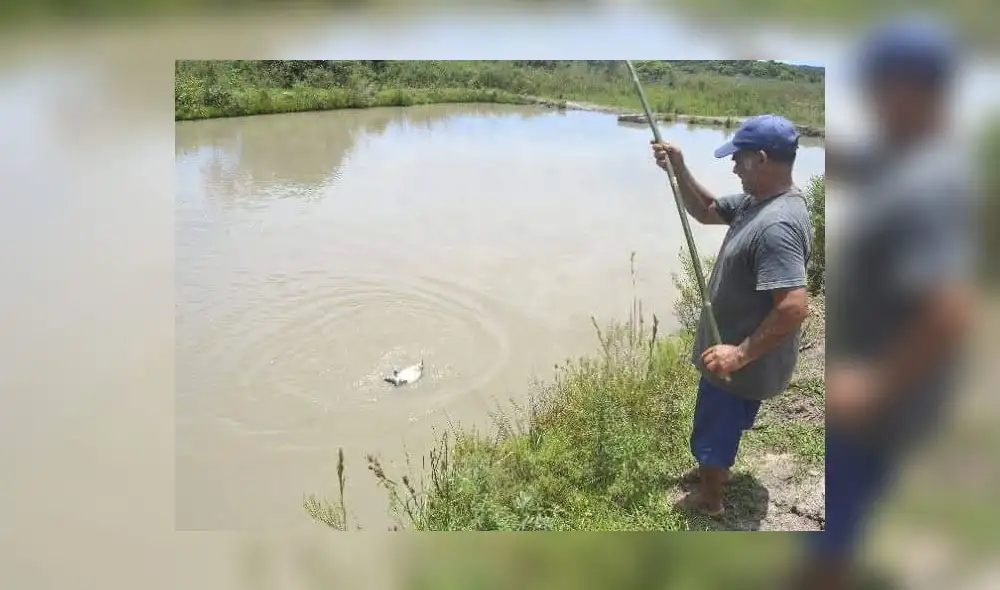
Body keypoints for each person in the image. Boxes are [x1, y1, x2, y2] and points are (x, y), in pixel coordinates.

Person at [788, 17, 978, 590]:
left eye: (878, 85)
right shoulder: (904, 154)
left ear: (915, 90)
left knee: (837, 518)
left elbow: (950, 309)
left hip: (881, 396)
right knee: (841, 504)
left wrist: (874, 385)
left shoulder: (929, 185)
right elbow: (858, 163)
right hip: (875, 376)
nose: (870, 98)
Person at [651, 113, 812, 516]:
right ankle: (715, 470)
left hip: (737, 360)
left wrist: (737, 355)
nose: (733, 166)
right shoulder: (759, 202)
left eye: (738, 158)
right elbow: (706, 209)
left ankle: (710, 499)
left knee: (713, 428)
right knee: (723, 426)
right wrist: (680, 169)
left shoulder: (776, 224)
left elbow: (794, 306)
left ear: (760, 158)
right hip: (739, 351)